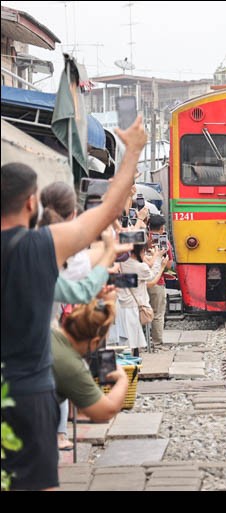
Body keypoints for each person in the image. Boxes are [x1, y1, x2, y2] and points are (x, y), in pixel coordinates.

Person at [1, 117, 146, 490]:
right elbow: (109, 209)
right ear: (32, 201)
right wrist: (132, 150)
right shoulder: (43, 245)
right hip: (27, 394)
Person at [52, 297, 129, 423]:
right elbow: (105, 411)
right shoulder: (70, 364)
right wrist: (122, 379)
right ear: (94, 342)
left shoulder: (48, 333)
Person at [117, 243, 163, 357]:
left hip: (121, 302)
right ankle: (132, 364)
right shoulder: (140, 267)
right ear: (141, 250)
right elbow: (151, 277)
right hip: (134, 305)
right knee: (133, 338)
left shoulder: (122, 263)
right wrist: (158, 260)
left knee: (126, 337)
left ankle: (128, 361)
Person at [146, 214, 174, 348]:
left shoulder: (143, 239)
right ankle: (156, 342)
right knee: (157, 313)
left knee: (141, 311)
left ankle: (141, 342)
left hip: (141, 281)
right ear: (162, 228)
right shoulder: (165, 243)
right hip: (157, 281)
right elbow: (169, 266)